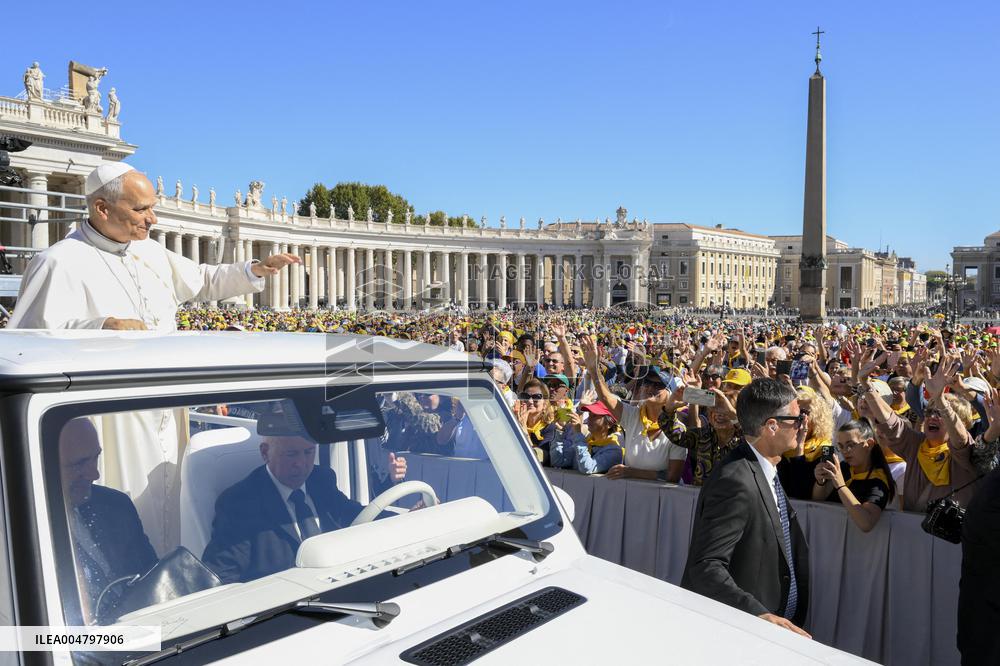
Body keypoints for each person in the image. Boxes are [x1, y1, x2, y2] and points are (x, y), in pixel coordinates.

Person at [10, 163, 300, 330]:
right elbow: (32, 343)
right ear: (102, 208)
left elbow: (202, 280)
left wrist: (256, 269)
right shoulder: (58, 262)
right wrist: (101, 326)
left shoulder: (149, 251)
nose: (153, 219)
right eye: (141, 209)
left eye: (153, 208)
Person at [682, 378, 811, 638]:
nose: (802, 425)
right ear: (772, 426)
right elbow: (706, 565)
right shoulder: (735, 480)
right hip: (741, 633)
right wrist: (757, 614)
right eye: (797, 419)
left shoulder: (765, 467)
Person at [203, 427, 376, 583]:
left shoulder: (321, 480)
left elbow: (357, 516)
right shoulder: (239, 503)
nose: (301, 464)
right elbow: (221, 577)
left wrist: (401, 523)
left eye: (309, 452)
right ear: (265, 453)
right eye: (291, 454)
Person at [59, 418, 157, 624]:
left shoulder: (117, 505)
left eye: (95, 458)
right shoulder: (18, 533)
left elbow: (154, 579)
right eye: (78, 464)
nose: (95, 473)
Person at [812, 420, 894, 532]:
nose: (845, 451)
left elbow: (866, 523)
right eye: (841, 446)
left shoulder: (878, 482)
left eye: (850, 445)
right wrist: (820, 482)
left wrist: (841, 486)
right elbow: (817, 500)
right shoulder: (844, 467)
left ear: (869, 444)